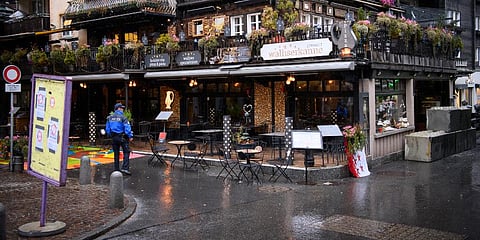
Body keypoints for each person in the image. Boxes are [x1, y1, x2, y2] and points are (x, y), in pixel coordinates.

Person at [106, 103, 134, 175]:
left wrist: (110, 135)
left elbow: (107, 129)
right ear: (118, 108)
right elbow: (127, 128)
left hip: (114, 137)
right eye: (121, 108)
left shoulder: (109, 117)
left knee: (116, 153)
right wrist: (130, 136)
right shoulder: (123, 117)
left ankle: (116, 169)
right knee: (126, 152)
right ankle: (125, 168)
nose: (122, 109)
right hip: (122, 137)